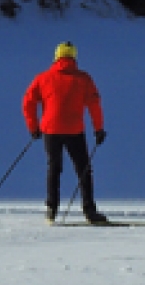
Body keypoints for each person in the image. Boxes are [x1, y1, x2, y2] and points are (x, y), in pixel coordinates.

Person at [23, 42, 108, 225]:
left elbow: (28, 102)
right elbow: (94, 104)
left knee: (54, 168)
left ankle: (51, 209)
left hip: (50, 130)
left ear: (56, 57)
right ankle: (89, 210)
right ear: (73, 57)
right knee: (83, 169)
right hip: (74, 130)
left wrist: (33, 127)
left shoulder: (43, 78)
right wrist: (98, 129)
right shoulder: (84, 78)